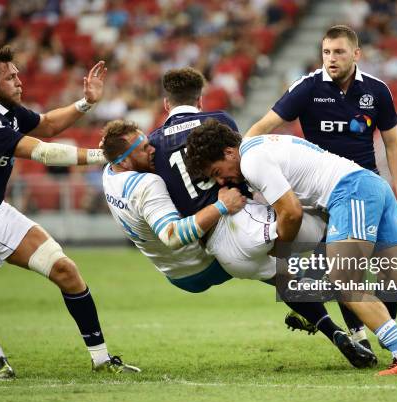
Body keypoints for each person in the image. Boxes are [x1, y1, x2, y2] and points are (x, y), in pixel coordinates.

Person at [184, 120, 397, 375]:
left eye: (218, 172)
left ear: (229, 153)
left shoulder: (252, 161)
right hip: (369, 186)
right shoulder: (260, 145)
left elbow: (291, 212)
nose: (222, 181)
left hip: (349, 192)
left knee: (344, 282)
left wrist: (281, 252)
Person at [0, 46, 139, 379]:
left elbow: (46, 125)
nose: (19, 80)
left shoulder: (9, 110)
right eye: (9, 77)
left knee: (66, 270)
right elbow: (44, 153)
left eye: (17, 74)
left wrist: (87, 102)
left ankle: (101, 359)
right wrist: (108, 156)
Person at [100, 119, 376, 369]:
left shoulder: (108, 175)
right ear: (125, 161)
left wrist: (85, 106)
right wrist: (221, 205)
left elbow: (82, 155)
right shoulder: (147, 184)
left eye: (150, 143)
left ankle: (332, 329)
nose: (153, 150)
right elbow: (172, 235)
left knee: (282, 275)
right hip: (207, 259)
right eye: (144, 148)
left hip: (177, 276)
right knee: (321, 233)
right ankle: (354, 326)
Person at [245, 25, 397, 342]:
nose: (331, 59)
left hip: (369, 188)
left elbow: (393, 145)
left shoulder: (377, 91)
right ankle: (363, 336)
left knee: (394, 270)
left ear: (356, 54)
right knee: (346, 270)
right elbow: (262, 127)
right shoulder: (307, 88)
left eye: (339, 52)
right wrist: (245, 154)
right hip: (328, 194)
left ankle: (376, 331)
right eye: (326, 52)